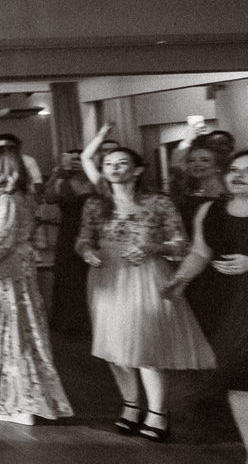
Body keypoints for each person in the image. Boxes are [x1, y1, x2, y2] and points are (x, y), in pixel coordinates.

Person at [77, 127, 214, 442]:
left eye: (121, 162)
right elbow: (84, 238)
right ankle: (130, 405)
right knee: (113, 348)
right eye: (109, 163)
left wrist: (154, 247)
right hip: (106, 278)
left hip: (146, 276)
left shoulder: (158, 202)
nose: (114, 168)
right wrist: (87, 251)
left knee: (144, 346)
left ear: (137, 170)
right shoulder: (96, 204)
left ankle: (157, 412)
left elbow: (180, 243)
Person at [0, 147, 73, 425]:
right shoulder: (8, 196)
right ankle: (11, 396)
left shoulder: (9, 199)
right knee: (10, 331)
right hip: (3, 273)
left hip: (6, 274)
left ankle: (22, 404)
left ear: (0, 167)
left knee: (12, 332)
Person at [167, 150, 248, 464]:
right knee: (238, 377)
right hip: (227, 303)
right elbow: (201, 251)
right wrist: (180, 279)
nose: (239, 175)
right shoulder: (210, 210)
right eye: (235, 169)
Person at [43, 149, 96, 336]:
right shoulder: (62, 182)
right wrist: (56, 173)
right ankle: (67, 322)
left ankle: (93, 322)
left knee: (89, 276)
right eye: (71, 160)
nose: (75, 163)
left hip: (93, 233)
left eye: (78, 160)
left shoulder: (95, 180)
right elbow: (48, 198)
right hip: (68, 233)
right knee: (67, 277)